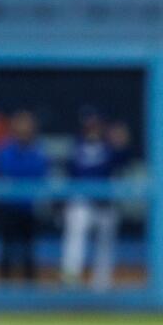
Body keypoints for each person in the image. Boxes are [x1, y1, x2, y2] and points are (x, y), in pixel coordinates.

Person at [60, 107, 129, 290]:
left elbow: (122, 164)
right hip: (81, 201)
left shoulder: (110, 147)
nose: (93, 127)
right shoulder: (77, 145)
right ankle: (71, 279)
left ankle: (102, 282)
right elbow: (70, 173)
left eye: (96, 124)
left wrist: (121, 145)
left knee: (105, 244)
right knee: (75, 238)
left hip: (105, 202)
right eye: (89, 124)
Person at [0, 110, 49, 282]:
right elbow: (4, 171)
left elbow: (39, 173)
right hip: (8, 208)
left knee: (29, 254)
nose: (24, 128)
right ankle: (2, 295)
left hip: (29, 209)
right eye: (21, 124)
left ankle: (31, 297)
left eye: (27, 124)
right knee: (6, 253)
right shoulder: (5, 149)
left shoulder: (38, 150)